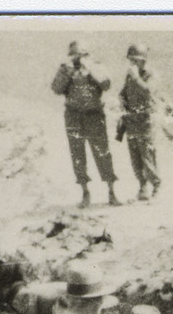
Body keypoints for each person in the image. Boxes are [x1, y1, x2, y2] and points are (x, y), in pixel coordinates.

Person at [50, 40, 120, 208]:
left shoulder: (96, 66)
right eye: (74, 56)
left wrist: (90, 69)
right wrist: (66, 73)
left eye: (80, 55)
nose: (77, 59)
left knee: (102, 153)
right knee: (78, 155)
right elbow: (56, 89)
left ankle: (111, 191)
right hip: (74, 116)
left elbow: (106, 84)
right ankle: (85, 192)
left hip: (94, 115)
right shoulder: (65, 69)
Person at [120, 43, 161, 201]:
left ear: (143, 61)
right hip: (132, 120)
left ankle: (156, 186)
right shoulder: (130, 75)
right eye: (130, 60)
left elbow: (149, 91)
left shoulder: (151, 75)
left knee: (147, 155)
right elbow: (124, 91)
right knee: (135, 156)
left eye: (135, 60)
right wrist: (122, 99)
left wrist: (136, 77)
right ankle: (142, 187)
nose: (132, 63)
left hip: (145, 120)